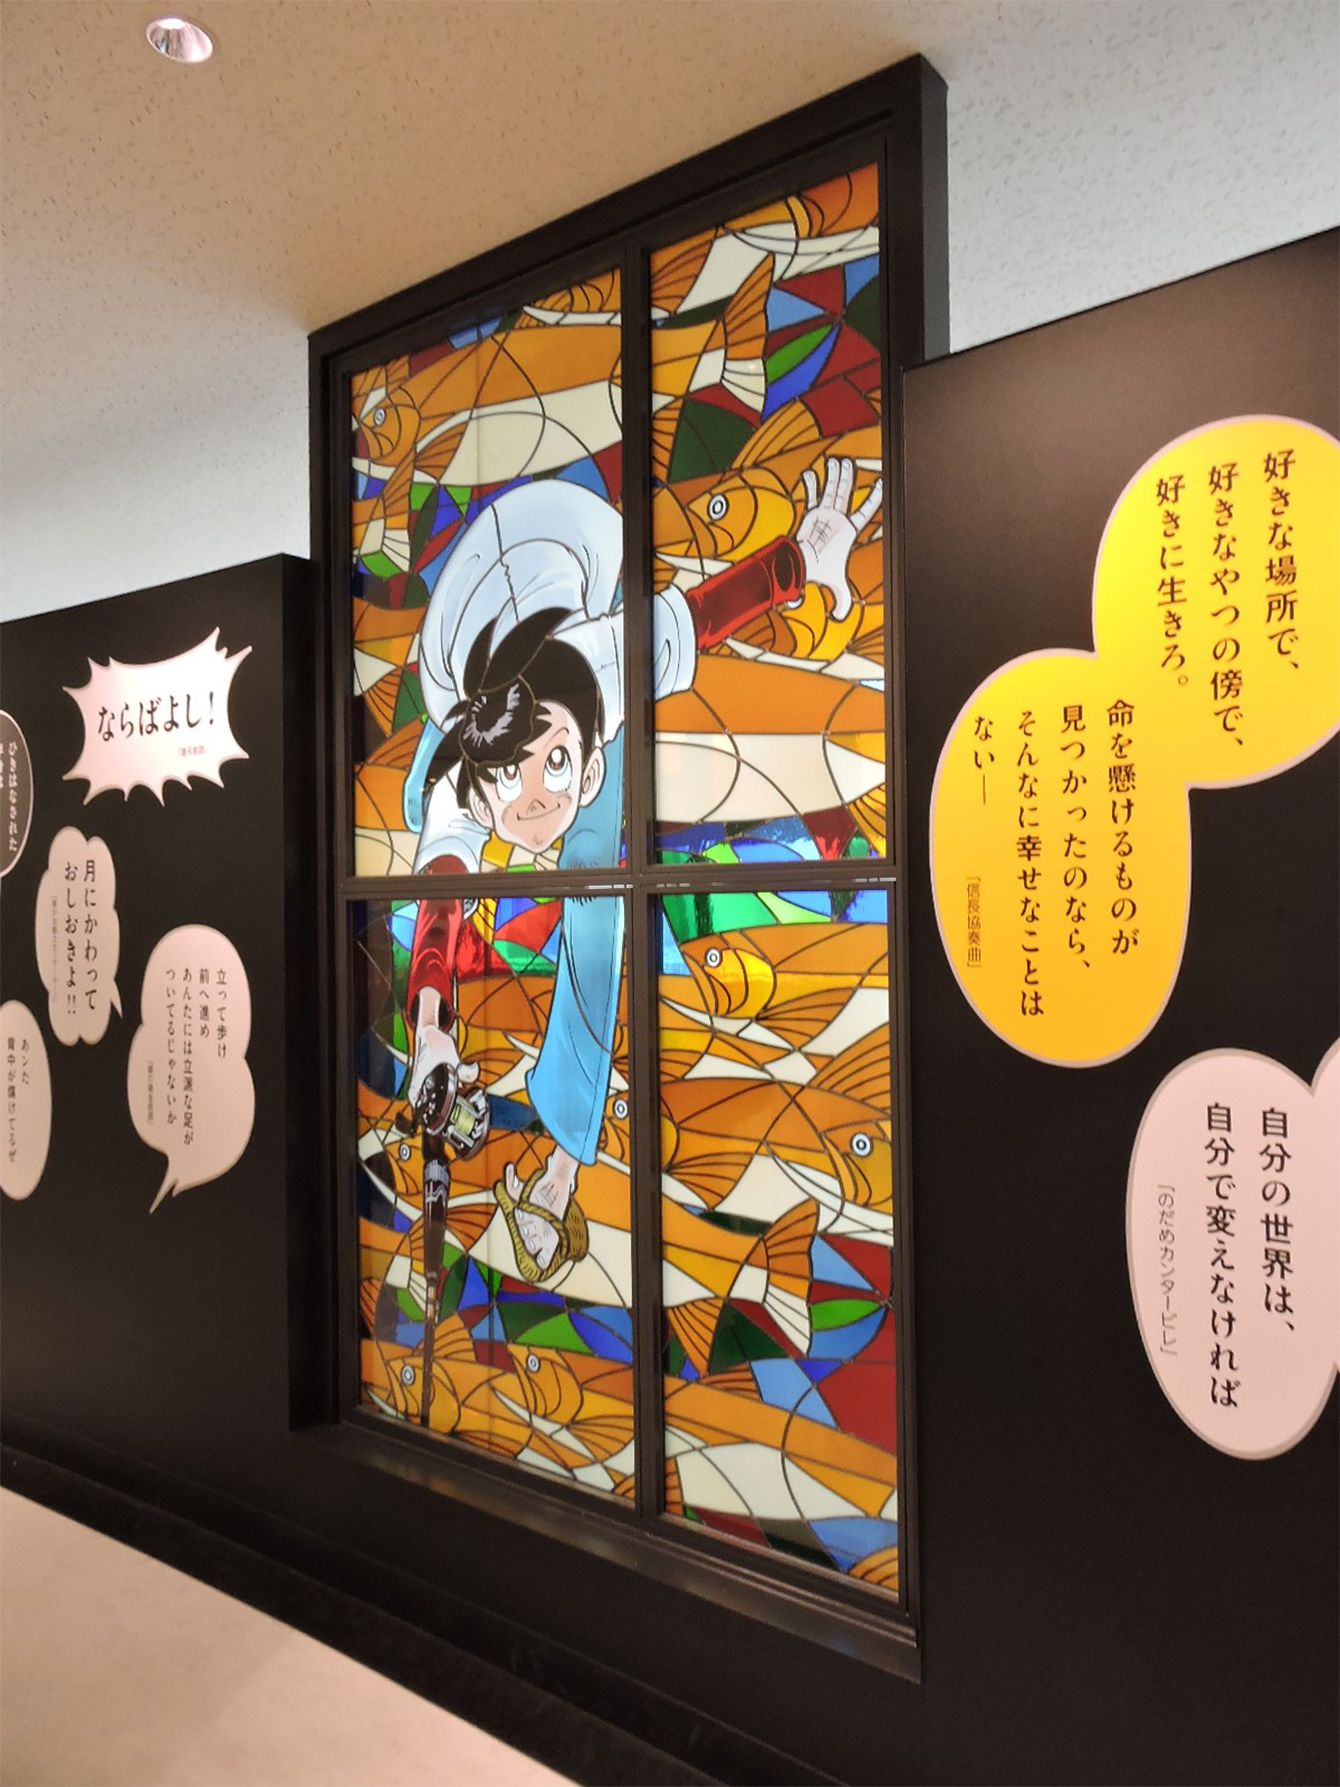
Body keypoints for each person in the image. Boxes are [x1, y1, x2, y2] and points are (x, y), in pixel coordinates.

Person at [404, 459, 879, 1281]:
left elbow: (707, 610)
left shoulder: (611, 667)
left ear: (593, 765)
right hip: (461, 641)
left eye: (556, 768)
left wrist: (807, 553)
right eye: (507, 782)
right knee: (438, 813)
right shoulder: (468, 770)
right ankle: (560, 1166)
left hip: (584, 549)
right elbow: (441, 895)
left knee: (593, 890)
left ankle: (560, 1168)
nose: (531, 799)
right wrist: (428, 1025)